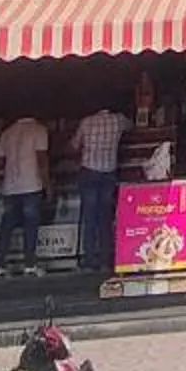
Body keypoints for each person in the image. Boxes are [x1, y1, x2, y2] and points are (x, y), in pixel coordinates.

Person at [75, 100, 131, 271]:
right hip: (108, 172)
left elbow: (74, 145)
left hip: (89, 171)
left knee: (89, 217)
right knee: (105, 218)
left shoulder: (86, 122)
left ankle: (90, 259)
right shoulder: (119, 120)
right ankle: (106, 260)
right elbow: (134, 125)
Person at [0, 111, 51, 273]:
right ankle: (30, 264)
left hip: (10, 186)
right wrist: (48, 185)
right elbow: (42, 159)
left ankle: (0, 264)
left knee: (7, 225)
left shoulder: (7, 132)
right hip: (31, 184)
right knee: (30, 225)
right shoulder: (39, 130)